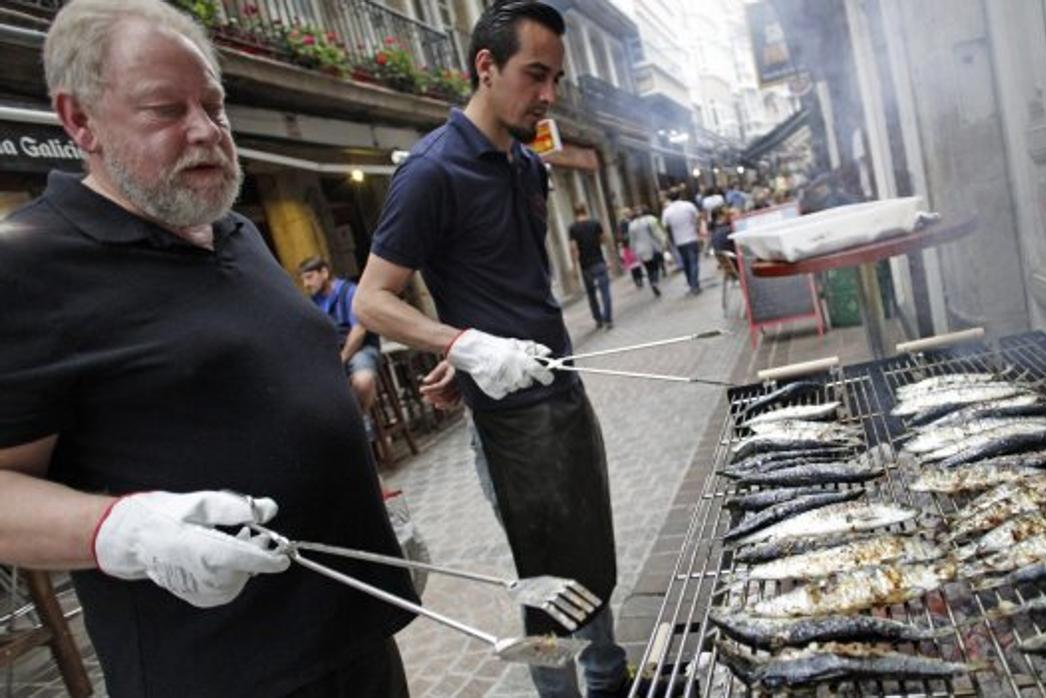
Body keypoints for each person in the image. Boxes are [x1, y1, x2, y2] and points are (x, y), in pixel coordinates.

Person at [0, 2, 418, 696]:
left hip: (356, 642)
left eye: (214, 105)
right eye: (165, 110)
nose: (206, 132)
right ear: (80, 122)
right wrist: (123, 530)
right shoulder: (26, 269)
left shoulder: (236, 232)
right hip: (226, 675)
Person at [351, 2, 629, 696]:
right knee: (546, 576)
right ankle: (561, 690)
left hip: (561, 389)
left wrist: (461, 348)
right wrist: (468, 347)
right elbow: (371, 301)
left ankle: (610, 677)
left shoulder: (529, 167)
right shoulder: (431, 171)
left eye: (556, 79)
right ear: (485, 66)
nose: (548, 95)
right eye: (536, 75)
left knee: (591, 554)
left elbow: (508, 284)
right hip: (509, 423)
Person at [299, 256, 384, 420]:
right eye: (303, 280)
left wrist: (342, 358)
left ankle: (361, 424)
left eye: (309, 277)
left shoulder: (350, 291)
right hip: (333, 355)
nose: (306, 285)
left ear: (324, 272)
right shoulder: (313, 302)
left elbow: (359, 331)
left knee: (363, 381)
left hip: (360, 349)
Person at [567, 202, 612, 330]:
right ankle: (608, 318)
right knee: (605, 292)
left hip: (585, 266)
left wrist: (574, 268)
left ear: (575, 213)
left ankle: (598, 319)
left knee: (591, 294)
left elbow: (574, 249)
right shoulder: (595, 223)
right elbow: (604, 240)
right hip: (599, 262)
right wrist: (607, 258)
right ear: (585, 211)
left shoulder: (573, 228)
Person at [660, 192, 703, 295]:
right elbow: (698, 217)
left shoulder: (667, 211)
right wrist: (696, 228)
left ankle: (691, 284)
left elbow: (665, 226)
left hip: (679, 241)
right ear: (680, 196)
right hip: (692, 238)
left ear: (669, 199)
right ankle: (695, 285)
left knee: (686, 264)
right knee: (694, 262)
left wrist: (670, 240)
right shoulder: (688, 205)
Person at [627, 203, 665, 298]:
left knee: (648, 268)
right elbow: (657, 232)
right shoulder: (650, 220)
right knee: (655, 267)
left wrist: (632, 250)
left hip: (640, 250)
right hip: (651, 247)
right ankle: (655, 282)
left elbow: (631, 240)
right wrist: (662, 241)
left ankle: (652, 281)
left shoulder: (631, 225)